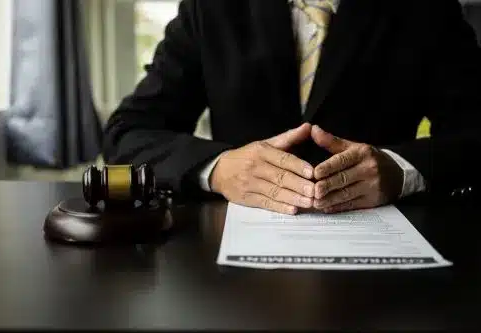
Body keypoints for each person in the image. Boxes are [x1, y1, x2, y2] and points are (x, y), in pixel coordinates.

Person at [103, 0, 481, 215]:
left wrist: (401, 170)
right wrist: (218, 168)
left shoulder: (427, 8)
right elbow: (129, 133)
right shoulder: (211, 7)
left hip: (388, 266)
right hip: (231, 268)